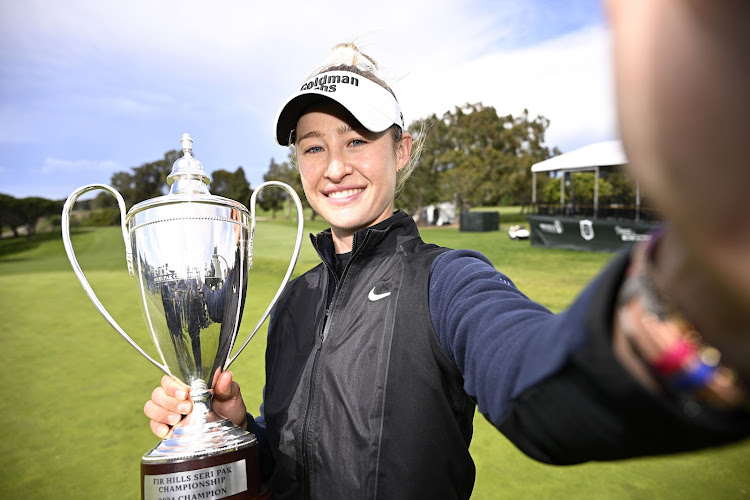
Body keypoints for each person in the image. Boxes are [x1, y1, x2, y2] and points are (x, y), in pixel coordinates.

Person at [144, 1, 750, 497]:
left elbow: (541, 390)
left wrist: (704, 296)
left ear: (400, 152)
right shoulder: (293, 303)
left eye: (356, 140)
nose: (334, 168)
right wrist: (236, 432)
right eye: (312, 146)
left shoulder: (449, 280)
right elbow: (288, 467)